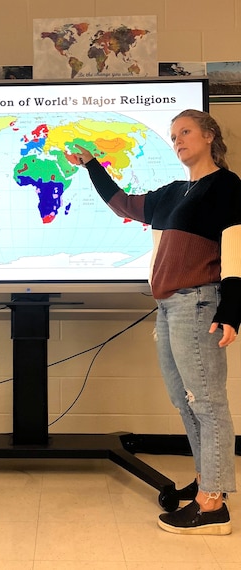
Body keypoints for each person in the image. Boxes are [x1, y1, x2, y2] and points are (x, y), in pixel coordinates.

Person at [73, 109, 241, 535]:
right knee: (183, 400)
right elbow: (123, 206)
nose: (177, 140)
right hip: (168, 307)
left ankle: (213, 505)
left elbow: (238, 253)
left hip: (200, 303)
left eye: (185, 132)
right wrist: (93, 166)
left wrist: (233, 314)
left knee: (208, 402)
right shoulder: (174, 192)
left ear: (208, 136)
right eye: (173, 135)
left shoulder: (226, 187)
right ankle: (206, 479)